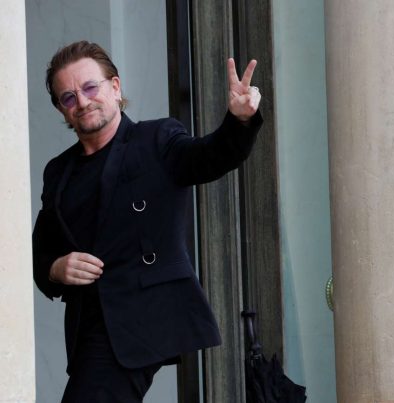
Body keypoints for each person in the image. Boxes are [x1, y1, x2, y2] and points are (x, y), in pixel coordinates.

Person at [32, 40, 262, 402]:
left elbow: (210, 157)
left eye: (90, 87)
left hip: (142, 318)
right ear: (62, 110)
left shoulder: (156, 139)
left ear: (115, 87)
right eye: (69, 97)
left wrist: (239, 119)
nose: (83, 101)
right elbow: (39, 251)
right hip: (89, 326)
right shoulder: (59, 171)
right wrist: (56, 269)